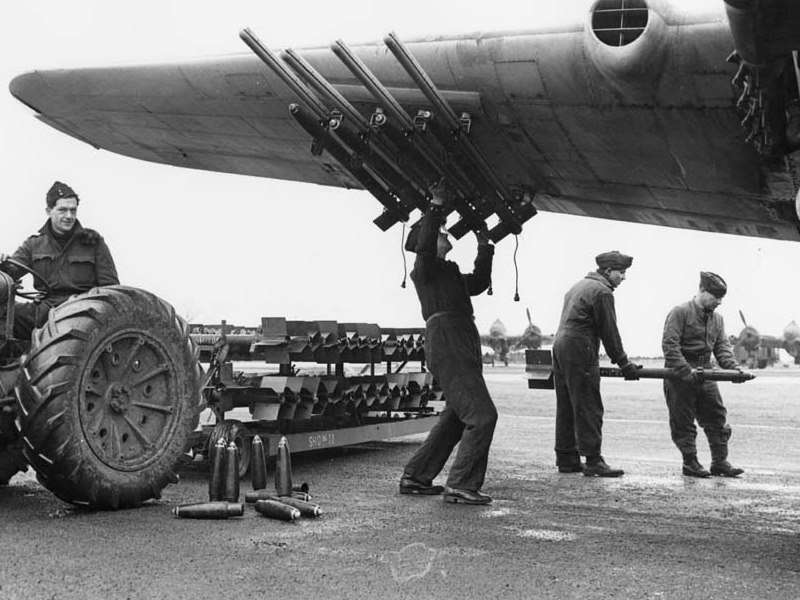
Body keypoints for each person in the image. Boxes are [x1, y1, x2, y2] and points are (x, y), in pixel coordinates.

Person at [399, 183, 497, 505]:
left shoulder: (448, 272)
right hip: (448, 341)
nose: (446, 235)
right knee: (482, 415)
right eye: (440, 232)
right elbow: (426, 248)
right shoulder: (423, 270)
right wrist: (435, 206)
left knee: (458, 415)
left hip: (460, 340)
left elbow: (480, 283)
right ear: (426, 241)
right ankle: (461, 485)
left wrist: (486, 247)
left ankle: (416, 477)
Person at [553, 251, 640, 477]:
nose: (623, 277)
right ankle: (593, 461)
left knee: (567, 404)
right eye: (621, 273)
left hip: (561, 345)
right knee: (588, 404)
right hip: (580, 347)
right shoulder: (602, 292)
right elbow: (609, 332)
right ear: (609, 271)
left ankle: (566, 458)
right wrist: (624, 363)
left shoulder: (579, 285)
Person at [0, 181, 119, 340]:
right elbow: (8, 275)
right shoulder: (34, 244)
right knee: (7, 316)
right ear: (49, 211)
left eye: (73, 210)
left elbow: (110, 289)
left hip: (82, 310)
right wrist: (2, 267)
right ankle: (13, 360)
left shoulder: (93, 242)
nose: (69, 216)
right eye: (62, 210)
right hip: (46, 309)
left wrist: (87, 302)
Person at [662, 271, 744, 478]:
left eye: (721, 298)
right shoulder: (679, 312)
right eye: (715, 297)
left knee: (716, 417)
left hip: (706, 372)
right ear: (701, 291)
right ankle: (690, 463)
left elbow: (722, 346)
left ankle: (720, 462)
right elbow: (670, 346)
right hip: (680, 374)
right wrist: (684, 371)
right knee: (683, 420)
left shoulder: (718, 319)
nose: (719, 302)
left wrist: (733, 368)